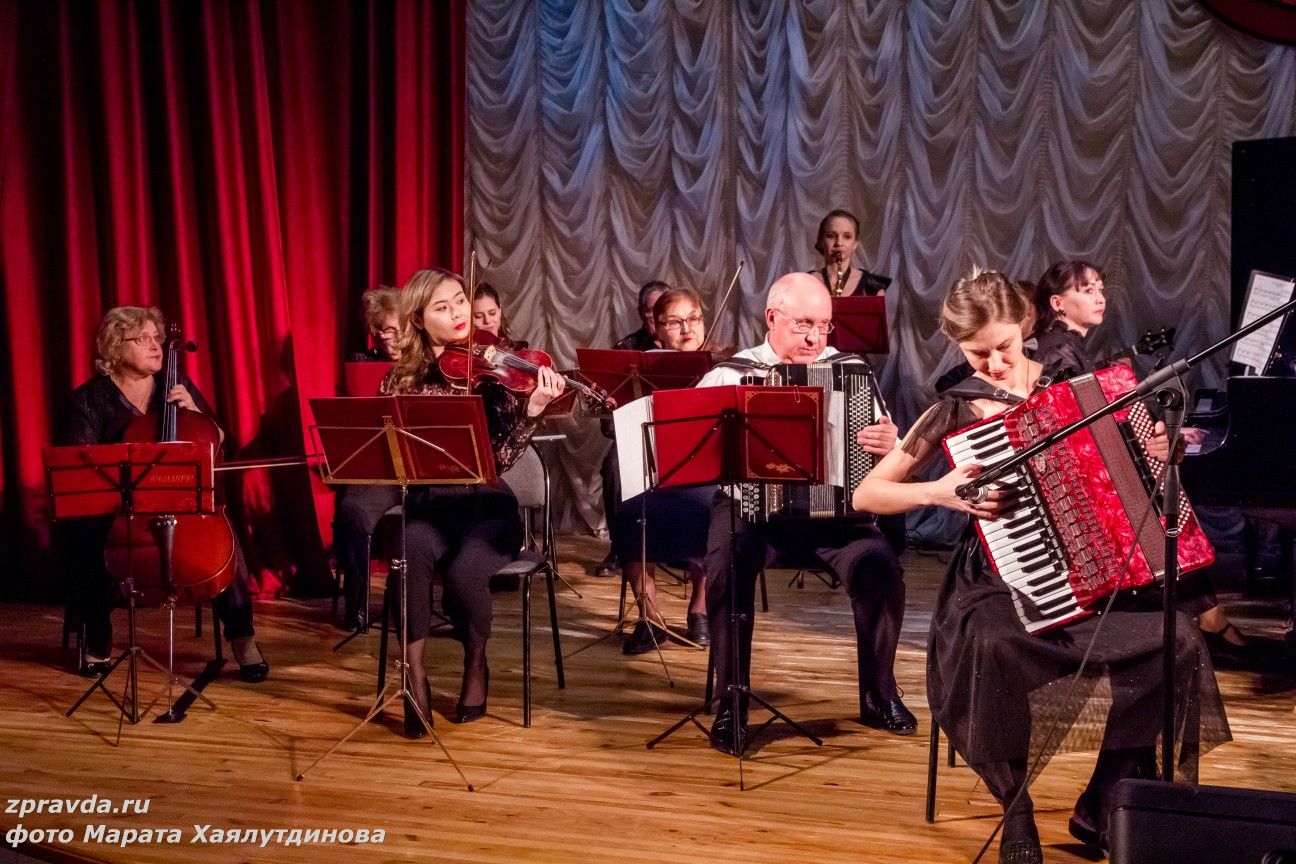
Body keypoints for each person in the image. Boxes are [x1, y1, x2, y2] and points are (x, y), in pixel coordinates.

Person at [853, 269, 1229, 863]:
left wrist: (1164, 448)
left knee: (1176, 641)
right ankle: (1015, 809)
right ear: (957, 346)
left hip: (1097, 577)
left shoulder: (1083, 387)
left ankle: (1102, 797)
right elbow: (868, 495)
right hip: (997, 583)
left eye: (1003, 347)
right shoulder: (950, 409)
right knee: (993, 645)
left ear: (1026, 328)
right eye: (978, 354)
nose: (995, 365)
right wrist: (941, 492)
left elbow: (1139, 466)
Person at [695, 272, 912, 756]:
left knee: (882, 570)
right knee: (726, 571)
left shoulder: (851, 370)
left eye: (824, 326)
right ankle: (731, 703)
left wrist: (886, 445)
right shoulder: (730, 375)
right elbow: (700, 454)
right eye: (804, 324)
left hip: (835, 516)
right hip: (753, 513)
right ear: (772, 318)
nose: (816, 338)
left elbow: (886, 454)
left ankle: (879, 695)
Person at [1032, 261, 1255, 667]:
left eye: (1100, 287)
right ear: (1057, 303)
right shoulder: (1060, 353)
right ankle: (1207, 623)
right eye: (1086, 290)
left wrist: (1150, 430)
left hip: (1100, 475)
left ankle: (1207, 621)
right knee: (1167, 519)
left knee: (1171, 516)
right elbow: (1074, 432)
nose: (1099, 297)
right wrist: (1141, 437)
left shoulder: (1069, 347)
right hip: (1090, 490)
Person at [380, 269, 564, 734]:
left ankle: (476, 660)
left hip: (487, 510)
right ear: (419, 320)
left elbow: (499, 462)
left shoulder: (492, 374)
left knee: (465, 573)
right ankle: (413, 674)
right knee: (409, 549)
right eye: (442, 307)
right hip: (430, 508)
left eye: (460, 300)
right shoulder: (401, 380)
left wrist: (533, 410)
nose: (459, 312)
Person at [62, 306, 269, 683]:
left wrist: (197, 415)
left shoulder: (178, 387)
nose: (155, 346)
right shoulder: (90, 400)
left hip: (182, 500)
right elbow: (83, 462)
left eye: (157, 337)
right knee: (85, 538)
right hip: (119, 506)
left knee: (226, 547)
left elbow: (219, 440)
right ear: (113, 347)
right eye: (142, 339)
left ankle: (243, 638)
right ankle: (98, 636)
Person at [613, 287, 712, 653]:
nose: (687, 329)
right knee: (628, 513)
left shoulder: (725, 366)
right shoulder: (641, 368)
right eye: (675, 322)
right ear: (658, 327)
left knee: (715, 511)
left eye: (694, 319)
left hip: (707, 473)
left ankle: (700, 608)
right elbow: (618, 429)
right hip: (656, 472)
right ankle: (649, 617)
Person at [335, 286, 404, 627]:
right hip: (379, 469)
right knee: (351, 511)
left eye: (392, 329)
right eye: (379, 331)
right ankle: (357, 605)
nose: (385, 339)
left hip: (422, 469)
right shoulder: (362, 364)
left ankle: (403, 603)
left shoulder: (431, 363)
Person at [598, 280, 673, 578]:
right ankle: (621, 545)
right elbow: (607, 423)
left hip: (682, 435)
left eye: (661, 311)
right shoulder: (625, 350)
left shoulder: (690, 344)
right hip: (637, 434)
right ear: (640, 313)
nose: (654, 319)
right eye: (648, 312)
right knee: (613, 466)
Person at [809, 209, 890, 297]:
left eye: (847, 237)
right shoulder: (804, 282)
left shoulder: (871, 286)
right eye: (831, 236)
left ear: (855, 244)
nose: (839, 243)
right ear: (820, 241)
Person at [353, 285, 402, 362]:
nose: (385, 336)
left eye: (391, 329)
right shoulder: (364, 361)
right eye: (389, 330)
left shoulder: (422, 361)